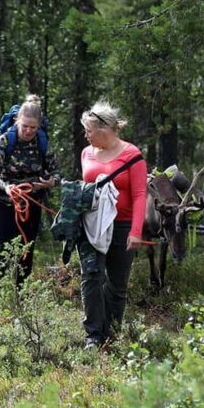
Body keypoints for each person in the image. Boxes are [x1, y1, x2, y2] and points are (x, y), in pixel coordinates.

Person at [79, 101, 148, 348]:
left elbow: (141, 194)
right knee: (91, 276)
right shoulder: (86, 153)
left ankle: (112, 333)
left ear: (104, 129)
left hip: (122, 225)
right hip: (92, 224)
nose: (86, 136)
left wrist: (136, 231)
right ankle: (93, 335)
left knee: (117, 284)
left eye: (88, 130)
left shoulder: (132, 155)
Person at [0, 94, 59, 286]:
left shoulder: (42, 143)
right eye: (25, 126)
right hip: (5, 201)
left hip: (32, 201)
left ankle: (22, 291)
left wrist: (50, 182)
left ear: (39, 126)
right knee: (6, 245)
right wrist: (7, 187)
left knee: (28, 246)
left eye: (33, 127)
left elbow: (57, 174)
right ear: (17, 120)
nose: (28, 131)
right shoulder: (4, 141)